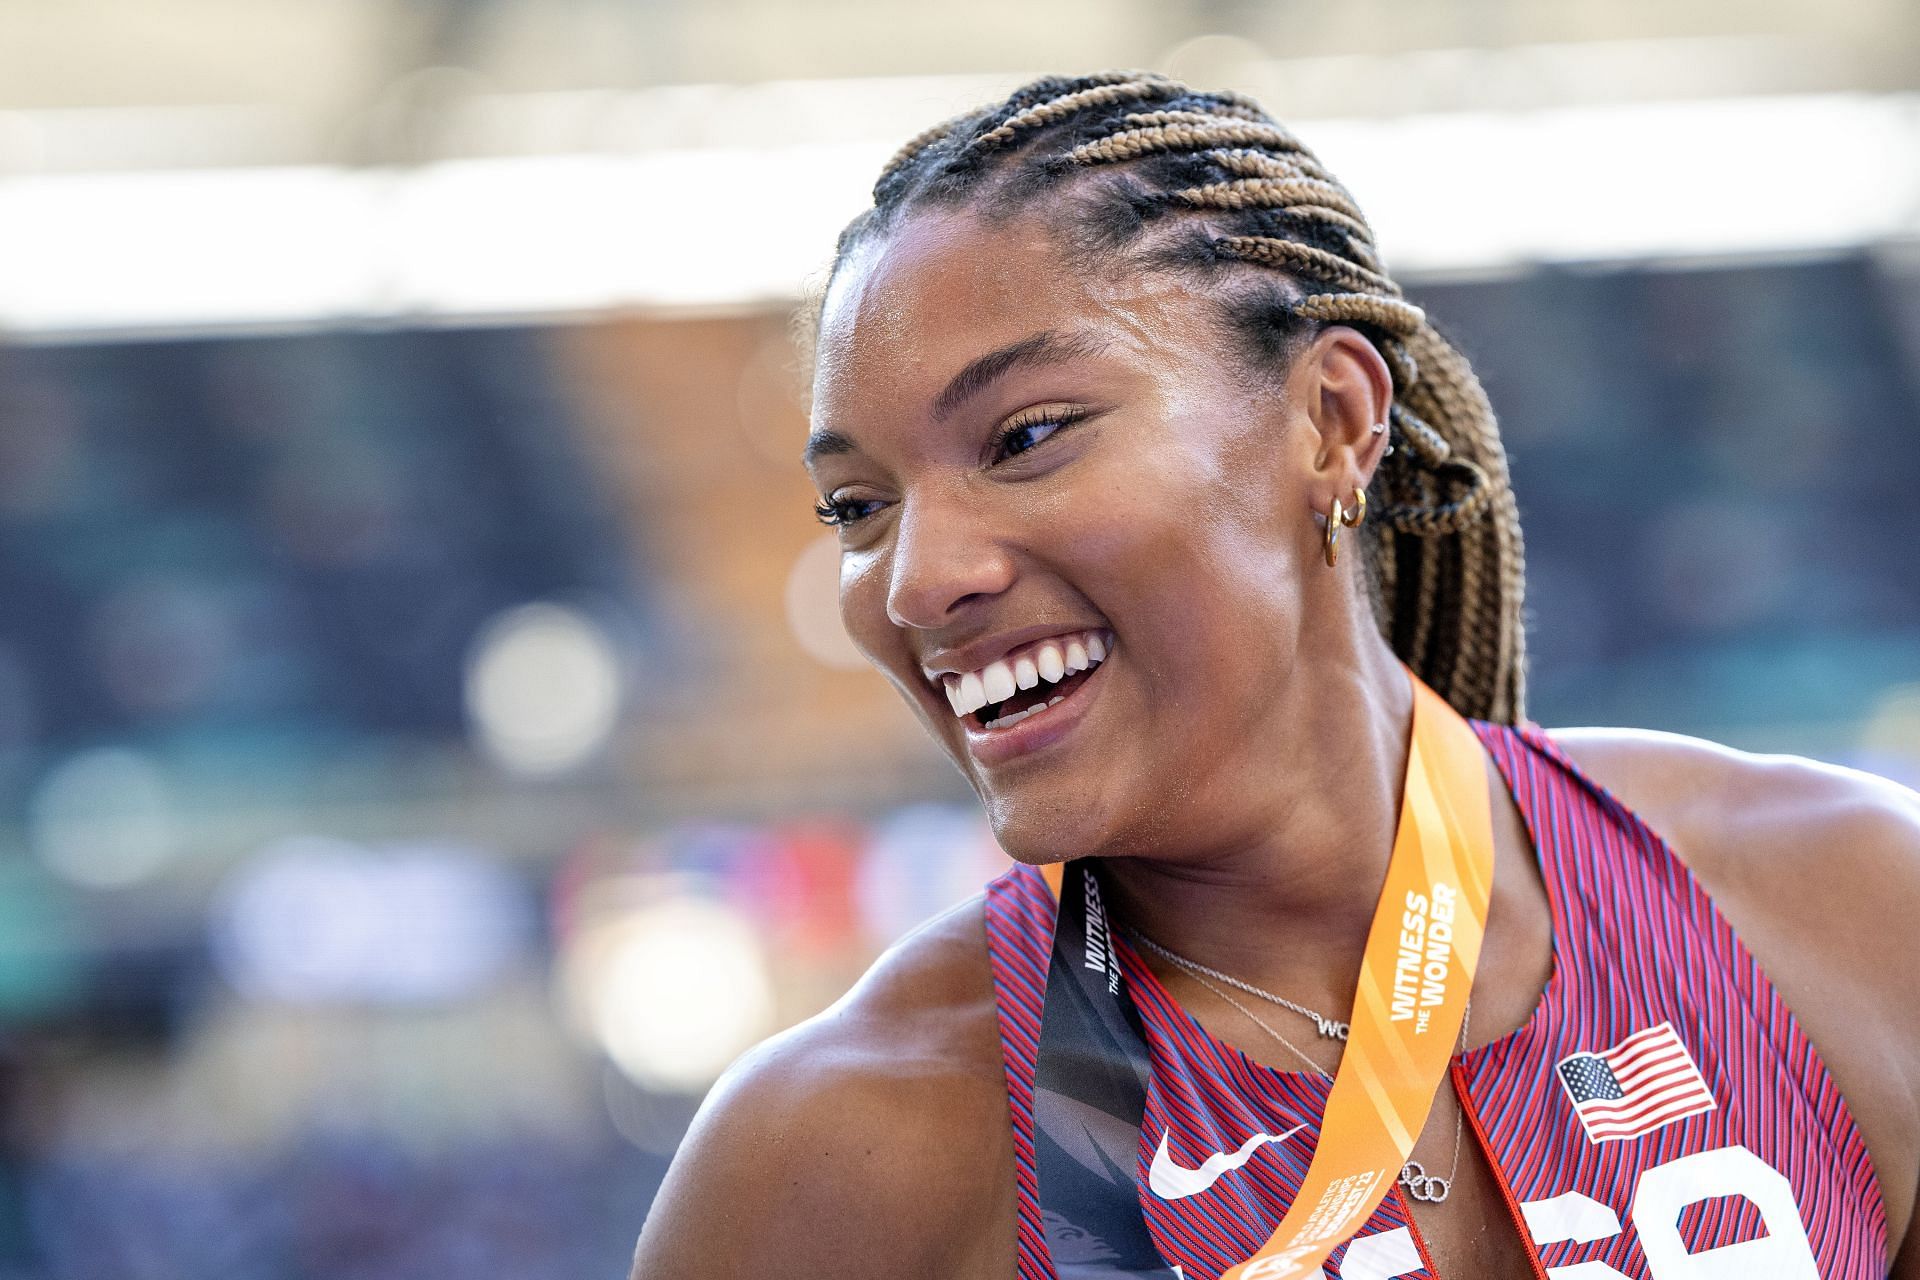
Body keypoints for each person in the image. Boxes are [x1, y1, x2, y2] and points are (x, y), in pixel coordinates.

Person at [632, 72, 1920, 1279]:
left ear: (1332, 423)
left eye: (1024, 437)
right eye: (856, 507)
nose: (915, 580)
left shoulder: (1841, 905)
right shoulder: (844, 1156)